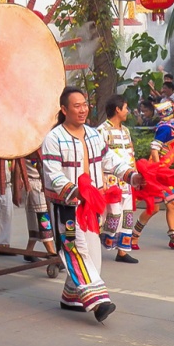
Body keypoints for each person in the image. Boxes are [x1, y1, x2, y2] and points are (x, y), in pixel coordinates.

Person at [41, 87, 142, 323]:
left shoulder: (94, 135)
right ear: (64, 109)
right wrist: (75, 191)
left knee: (94, 257)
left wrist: (132, 175)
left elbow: (110, 160)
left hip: (92, 206)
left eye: (84, 104)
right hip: (67, 207)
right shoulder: (53, 139)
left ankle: (71, 298)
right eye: (77, 105)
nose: (83, 109)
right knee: (75, 250)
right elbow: (53, 174)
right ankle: (99, 303)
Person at [132, 100, 174, 251]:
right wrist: (158, 169)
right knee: (164, 205)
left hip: (160, 172)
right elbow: (154, 148)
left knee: (160, 206)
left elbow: (163, 152)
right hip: (158, 174)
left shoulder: (168, 129)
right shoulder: (166, 129)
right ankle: (173, 240)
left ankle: (134, 237)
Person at [98, 95, 139, 264]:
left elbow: (131, 154)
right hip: (111, 180)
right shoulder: (102, 131)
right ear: (117, 109)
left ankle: (122, 251)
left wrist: (135, 174)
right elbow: (98, 158)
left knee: (127, 216)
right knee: (113, 215)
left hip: (127, 180)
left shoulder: (125, 131)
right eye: (126, 108)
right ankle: (102, 239)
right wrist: (101, 181)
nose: (127, 111)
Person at [21, 156, 57, 261]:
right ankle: (52, 253)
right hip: (34, 182)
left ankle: (29, 250)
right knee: (43, 217)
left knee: (36, 218)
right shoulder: (28, 145)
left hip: (42, 182)